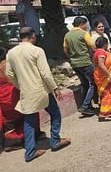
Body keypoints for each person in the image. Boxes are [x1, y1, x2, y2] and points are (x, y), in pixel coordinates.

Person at [6, 27, 71, 162]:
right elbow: (45, 73)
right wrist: (55, 88)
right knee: (55, 113)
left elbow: (9, 74)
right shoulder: (37, 51)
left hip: (26, 91)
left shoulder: (11, 53)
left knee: (28, 121)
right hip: (42, 90)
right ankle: (55, 140)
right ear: (32, 36)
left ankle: (30, 152)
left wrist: (20, 85)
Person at [0, 47, 45, 152]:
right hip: (13, 93)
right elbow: (14, 78)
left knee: (9, 119)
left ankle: (9, 142)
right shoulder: (6, 66)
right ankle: (30, 137)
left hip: (3, 96)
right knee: (29, 113)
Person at [63, 17, 96, 116]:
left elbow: (65, 48)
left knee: (84, 84)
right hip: (85, 62)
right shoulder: (83, 33)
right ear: (81, 24)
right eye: (86, 24)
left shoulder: (67, 35)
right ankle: (85, 106)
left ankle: (87, 105)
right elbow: (92, 46)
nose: (87, 26)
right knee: (93, 84)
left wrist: (70, 57)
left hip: (75, 64)